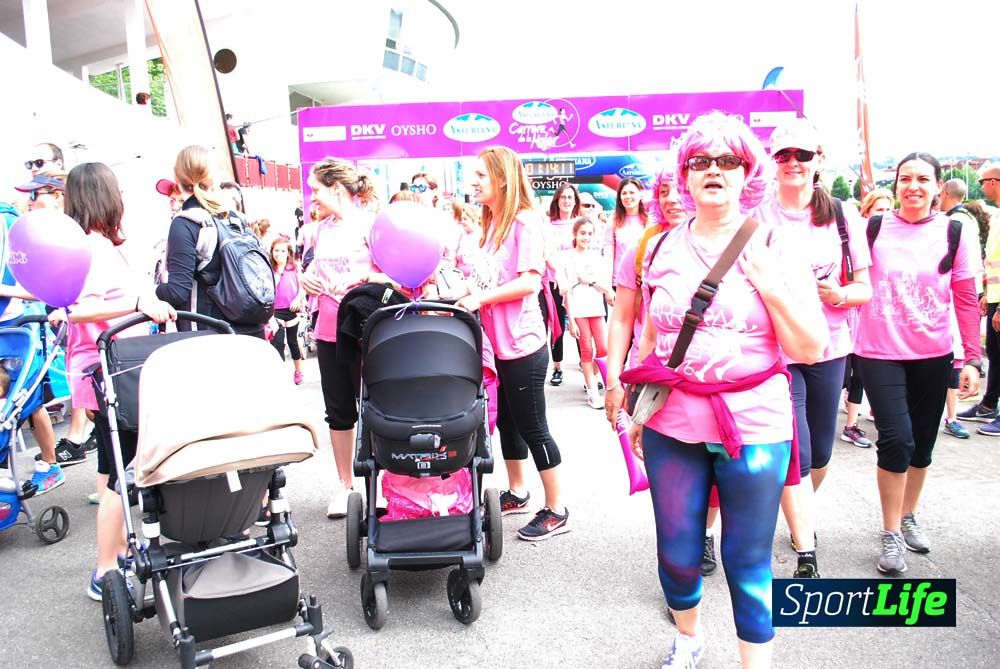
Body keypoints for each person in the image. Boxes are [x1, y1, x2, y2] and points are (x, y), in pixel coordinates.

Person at [621, 111, 827, 667]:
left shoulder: (776, 245)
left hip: (755, 423)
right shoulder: (660, 247)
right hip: (672, 422)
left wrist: (771, 288)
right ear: (684, 175)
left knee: (747, 559)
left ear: (747, 172)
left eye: (728, 160)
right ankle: (688, 639)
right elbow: (650, 337)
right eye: (700, 161)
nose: (714, 170)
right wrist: (637, 410)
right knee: (677, 552)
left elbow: (810, 348)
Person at [47, 162, 175, 600]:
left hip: (108, 372)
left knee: (111, 473)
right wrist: (138, 303)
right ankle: (106, 568)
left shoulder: (92, 246)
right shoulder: (94, 249)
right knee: (120, 475)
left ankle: (115, 556)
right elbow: (78, 310)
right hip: (108, 374)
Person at [754, 119, 873, 579]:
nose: (793, 163)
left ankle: (798, 510)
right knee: (797, 449)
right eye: (783, 155)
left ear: (819, 160)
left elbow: (864, 288)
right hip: (775, 349)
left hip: (829, 346)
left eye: (803, 155)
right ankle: (806, 549)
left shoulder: (843, 216)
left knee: (821, 451)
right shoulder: (756, 214)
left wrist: (839, 294)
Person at [854, 152, 982, 576]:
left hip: (934, 353)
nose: (913, 186)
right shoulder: (872, 228)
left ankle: (909, 514)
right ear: (895, 185)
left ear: (938, 187)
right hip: (879, 352)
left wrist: (972, 358)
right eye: (905, 178)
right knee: (897, 439)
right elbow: (849, 280)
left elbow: (966, 297)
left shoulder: (955, 232)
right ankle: (891, 532)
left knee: (922, 445)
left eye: (923, 179)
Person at [455, 145, 568, 541]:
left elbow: (529, 282)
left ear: (502, 178)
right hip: (496, 345)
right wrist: (456, 293)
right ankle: (518, 492)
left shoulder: (525, 223)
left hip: (523, 345)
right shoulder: (491, 225)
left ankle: (557, 508)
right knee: (507, 422)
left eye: (480, 175)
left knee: (533, 426)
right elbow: (485, 280)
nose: (473, 182)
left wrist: (480, 299)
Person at [300, 157, 387, 519]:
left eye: (316, 190)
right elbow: (311, 267)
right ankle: (345, 485)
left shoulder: (372, 225)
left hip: (365, 329)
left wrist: (360, 279)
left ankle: (380, 486)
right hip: (328, 330)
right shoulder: (319, 230)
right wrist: (305, 278)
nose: (312, 197)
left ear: (336, 189)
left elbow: (394, 276)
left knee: (375, 407)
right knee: (338, 412)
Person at [154, 145, 267, 337]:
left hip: (211, 336)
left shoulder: (185, 223)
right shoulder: (232, 217)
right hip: (250, 330)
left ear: (176, 178)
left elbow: (178, 292)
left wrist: (151, 294)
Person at [938, 179, 981, 439]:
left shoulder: (956, 224)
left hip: (956, 300)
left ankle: (951, 417)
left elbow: (965, 276)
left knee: (954, 363)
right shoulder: (967, 219)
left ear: (942, 191)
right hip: (962, 297)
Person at [959, 167, 1000, 433]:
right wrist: (988, 294)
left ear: (994, 182)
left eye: (983, 182)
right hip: (995, 296)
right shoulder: (996, 216)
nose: (981, 186)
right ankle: (988, 405)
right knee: (995, 355)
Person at [559, 217, 613, 409]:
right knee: (587, 350)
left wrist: (590, 281)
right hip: (578, 310)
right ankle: (592, 392)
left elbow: (606, 287)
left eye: (590, 233)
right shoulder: (566, 258)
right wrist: (571, 321)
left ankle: (590, 375)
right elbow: (566, 291)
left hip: (596, 308)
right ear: (575, 234)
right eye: (583, 233)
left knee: (603, 349)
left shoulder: (598, 258)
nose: (586, 237)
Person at [543, 183, 581, 386]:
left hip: (579, 283)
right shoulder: (547, 226)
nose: (566, 201)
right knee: (557, 325)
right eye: (563, 197)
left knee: (582, 324)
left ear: (575, 201)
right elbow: (547, 254)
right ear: (557, 200)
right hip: (554, 282)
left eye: (570, 197)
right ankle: (557, 368)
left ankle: (587, 364)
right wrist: (559, 274)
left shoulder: (581, 223)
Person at [269, 238, 305, 384]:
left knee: (292, 342)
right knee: (278, 342)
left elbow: (302, 287)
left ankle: (298, 371)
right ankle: (280, 373)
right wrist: (278, 272)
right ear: (272, 252)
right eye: (276, 250)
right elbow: (270, 288)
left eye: (283, 251)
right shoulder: (270, 269)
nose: (279, 253)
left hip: (291, 309)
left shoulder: (294, 267)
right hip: (275, 311)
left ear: (288, 252)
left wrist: (298, 299)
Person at [610, 177, 649, 278]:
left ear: (640, 195)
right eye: (624, 193)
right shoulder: (613, 221)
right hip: (619, 280)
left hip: (643, 279)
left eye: (632, 192)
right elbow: (608, 255)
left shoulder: (650, 220)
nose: (628, 196)